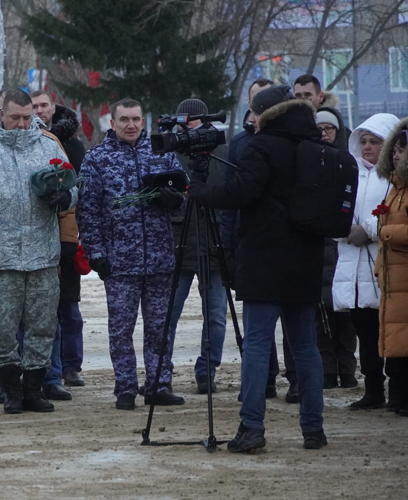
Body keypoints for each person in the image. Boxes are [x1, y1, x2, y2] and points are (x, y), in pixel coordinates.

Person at [189, 85, 327, 452]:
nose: (250, 119)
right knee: (305, 347)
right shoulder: (314, 146)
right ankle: (314, 429)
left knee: (257, 345)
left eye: (253, 112)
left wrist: (198, 190)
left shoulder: (262, 147)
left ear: (266, 114)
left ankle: (252, 427)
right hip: (306, 262)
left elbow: (237, 193)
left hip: (265, 262)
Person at [0, 89, 73, 414]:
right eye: (15, 117)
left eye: (26, 118)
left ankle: (34, 389)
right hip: (0, 258)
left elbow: (72, 186)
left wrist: (66, 199)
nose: (21, 124)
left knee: (42, 327)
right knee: (3, 330)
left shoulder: (48, 146)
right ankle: (10, 391)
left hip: (42, 257)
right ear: (2, 114)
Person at [76, 98, 186, 411]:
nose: (131, 125)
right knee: (121, 328)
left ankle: (158, 384)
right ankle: (125, 386)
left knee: (159, 327)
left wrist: (173, 200)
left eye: (136, 119)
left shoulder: (161, 152)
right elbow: (88, 210)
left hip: (160, 257)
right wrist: (96, 251)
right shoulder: (97, 158)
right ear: (113, 123)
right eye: (124, 119)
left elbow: (184, 193)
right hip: (119, 261)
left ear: (143, 120)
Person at [333, 112, 400, 410]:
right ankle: (373, 390)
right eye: (364, 141)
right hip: (352, 267)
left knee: (392, 334)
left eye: (375, 141)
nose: (368, 146)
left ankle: (398, 389)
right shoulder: (348, 174)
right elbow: (333, 212)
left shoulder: (395, 177)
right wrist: (343, 230)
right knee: (365, 333)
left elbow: (397, 216)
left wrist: (370, 230)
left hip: (385, 264)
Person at [166, 98, 229, 395]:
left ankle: (207, 371)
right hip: (177, 244)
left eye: (193, 119)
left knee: (216, 314)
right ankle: (160, 371)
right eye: (184, 119)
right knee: (166, 314)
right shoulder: (170, 154)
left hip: (213, 246)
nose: (187, 124)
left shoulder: (222, 154)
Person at [224, 78, 282, 400]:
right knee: (257, 326)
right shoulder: (238, 143)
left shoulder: (294, 141)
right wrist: (226, 244)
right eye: (256, 101)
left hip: (284, 245)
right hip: (248, 243)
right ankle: (264, 379)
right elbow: (231, 199)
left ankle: (298, 380)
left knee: (294, 322)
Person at [32, 91, 87, 391]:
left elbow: (79, 191)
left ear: (53, 108)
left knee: (69, 308)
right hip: (38, 237)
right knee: (41, 312)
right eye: (35, 106)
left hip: (66, 236)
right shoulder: (27, 142)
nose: (40, 110)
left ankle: (71, 367)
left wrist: (73, 237)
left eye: (44, 105)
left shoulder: (73, 145)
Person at [313, 109, 358, 390]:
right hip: (318, 248)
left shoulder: (348, 162)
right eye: (320, 128)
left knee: (346, 315)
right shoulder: (309, 160)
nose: (324, 133)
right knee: (321, 316)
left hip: (345, 248)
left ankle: (349, 370)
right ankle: (328, 370)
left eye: (329, 128)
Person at [375, 118, 408, 417]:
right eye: (395, 150)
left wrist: (388, 233)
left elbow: (389, 232)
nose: (396, 156)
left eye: (402, 151)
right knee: (398, 343)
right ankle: (398, 397)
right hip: (394, 280)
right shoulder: (395, 189)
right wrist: (379, 267)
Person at [293, 74, 348, 149]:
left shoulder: (339, 130)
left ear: (320, 96)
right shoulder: (291, 128)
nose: (302, 100)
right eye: (298, 96)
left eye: (307, 95)